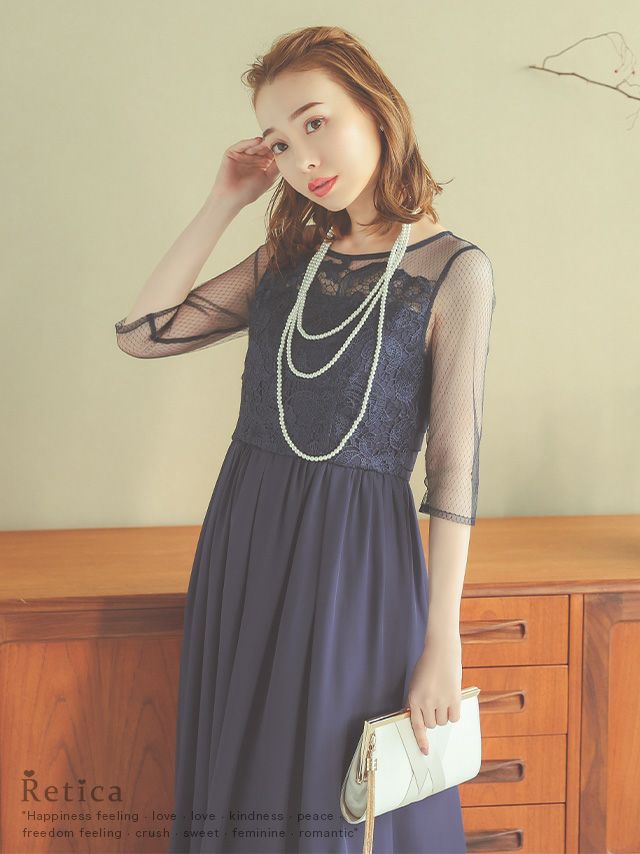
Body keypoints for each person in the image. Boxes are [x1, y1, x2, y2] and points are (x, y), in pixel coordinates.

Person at [114, 24, 495, 854]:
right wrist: (224, 200)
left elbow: (454, 468)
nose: (301, 159)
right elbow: (143, 335)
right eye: (280, 142)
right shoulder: (286, 259)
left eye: (316, 122)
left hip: (359, 561)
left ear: (377, 110)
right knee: (246, 779)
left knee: (340, 794)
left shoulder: (452, 271)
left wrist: (443, 641)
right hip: (246, 542)